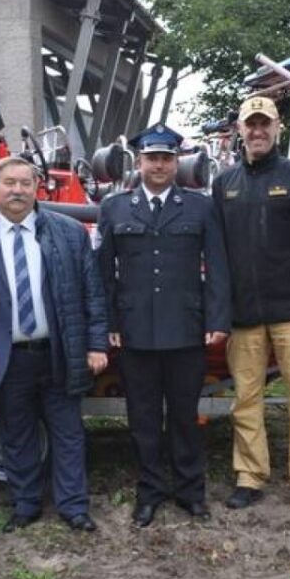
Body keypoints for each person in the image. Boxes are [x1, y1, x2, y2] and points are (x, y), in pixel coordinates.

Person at [0, 156, 108, 533]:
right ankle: (25, 504)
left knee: (68, 432)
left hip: (59, 352)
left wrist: (96, 345)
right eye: (9, 183)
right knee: (16, 433)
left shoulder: (69, 233)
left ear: (37, 187)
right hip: (7, 357)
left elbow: (92, 294)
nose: (17, 191)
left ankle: (73, 506)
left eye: (25, 183)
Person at [97, 124, 231, 527]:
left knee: (185, 417)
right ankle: (150, 492)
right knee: (143, 419)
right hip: (135, 331)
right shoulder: (115, 208)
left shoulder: (201, 207)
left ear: (177, 163)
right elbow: (103, 273)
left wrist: (218, 319)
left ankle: (191, 492)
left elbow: (219, 268)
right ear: (139, 162)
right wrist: (110, 321)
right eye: (152, 158)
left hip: (186, 330)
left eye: (167, 158)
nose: (159, 165)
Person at [211, 96, 290, 513]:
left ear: (278, 127)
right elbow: (216, 254)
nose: (258, 131)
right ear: (240, 131)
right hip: (244, 316)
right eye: (251, 124)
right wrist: (220, 309)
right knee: (246, 399)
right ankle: (249, 475)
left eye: (265, 124)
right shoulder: (223, 183)